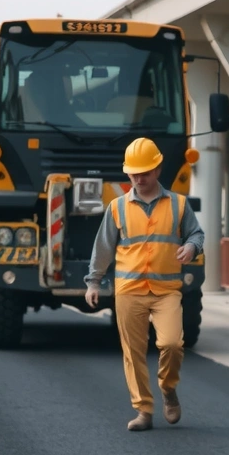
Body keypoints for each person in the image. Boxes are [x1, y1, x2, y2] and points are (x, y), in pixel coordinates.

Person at [84, 137, 204, 431]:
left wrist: (191, 248)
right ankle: (144, 411)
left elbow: (196, 235)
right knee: (133, 353)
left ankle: (168, 388)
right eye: (134, 173)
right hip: (129, 291)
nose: (139, 178)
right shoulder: (117, 208)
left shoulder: (178, 204)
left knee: (172, 344)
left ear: (158, 170)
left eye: (145, 173)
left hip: (166, 291)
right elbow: (103, 248)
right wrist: (93, 282)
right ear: (127, 174)